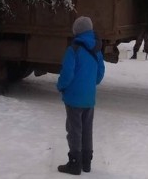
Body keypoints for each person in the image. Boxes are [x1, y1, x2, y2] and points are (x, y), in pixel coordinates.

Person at [57, 16, 105, 175]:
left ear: (76, 31)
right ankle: (86, 162)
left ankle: (74, 164)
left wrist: (61, 86)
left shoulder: (73, 49)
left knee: (74, 130)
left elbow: (67, 74)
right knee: (87, 129)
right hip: (89, 98)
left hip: (73, 98)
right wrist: (89, 85)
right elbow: (99, 74)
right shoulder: (96, 49)